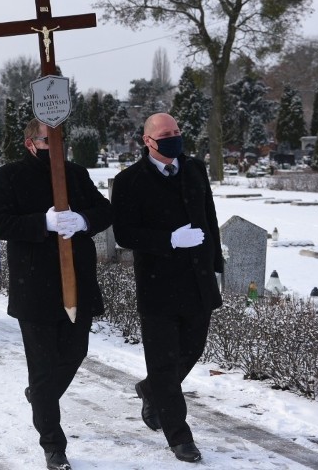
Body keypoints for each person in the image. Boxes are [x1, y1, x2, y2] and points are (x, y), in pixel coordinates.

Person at [0, 119, 112, 470]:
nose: (56, 146)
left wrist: (82, 220)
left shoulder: (76, 173)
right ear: (29, 143)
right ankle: (53, 444)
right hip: (34, 284)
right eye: (47, 140)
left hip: (78, 282)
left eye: (59, 139)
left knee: (75, 351)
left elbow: (105, 211)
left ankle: (40, 398)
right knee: (42, 368)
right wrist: (43, 223)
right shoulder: (9, 176)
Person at [111, 113, 222, 464]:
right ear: (148, 141)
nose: (174, 138)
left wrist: (216, 264)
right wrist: (170, 240)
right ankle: (179, 436)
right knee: (163, 363)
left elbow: (210, 218)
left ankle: (149, 390)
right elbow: (125, 234)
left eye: (177, 131)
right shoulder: (129, 180)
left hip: (198, 281)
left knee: (192, 349)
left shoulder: (194, 169)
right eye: (166, 134)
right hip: (159, 285)